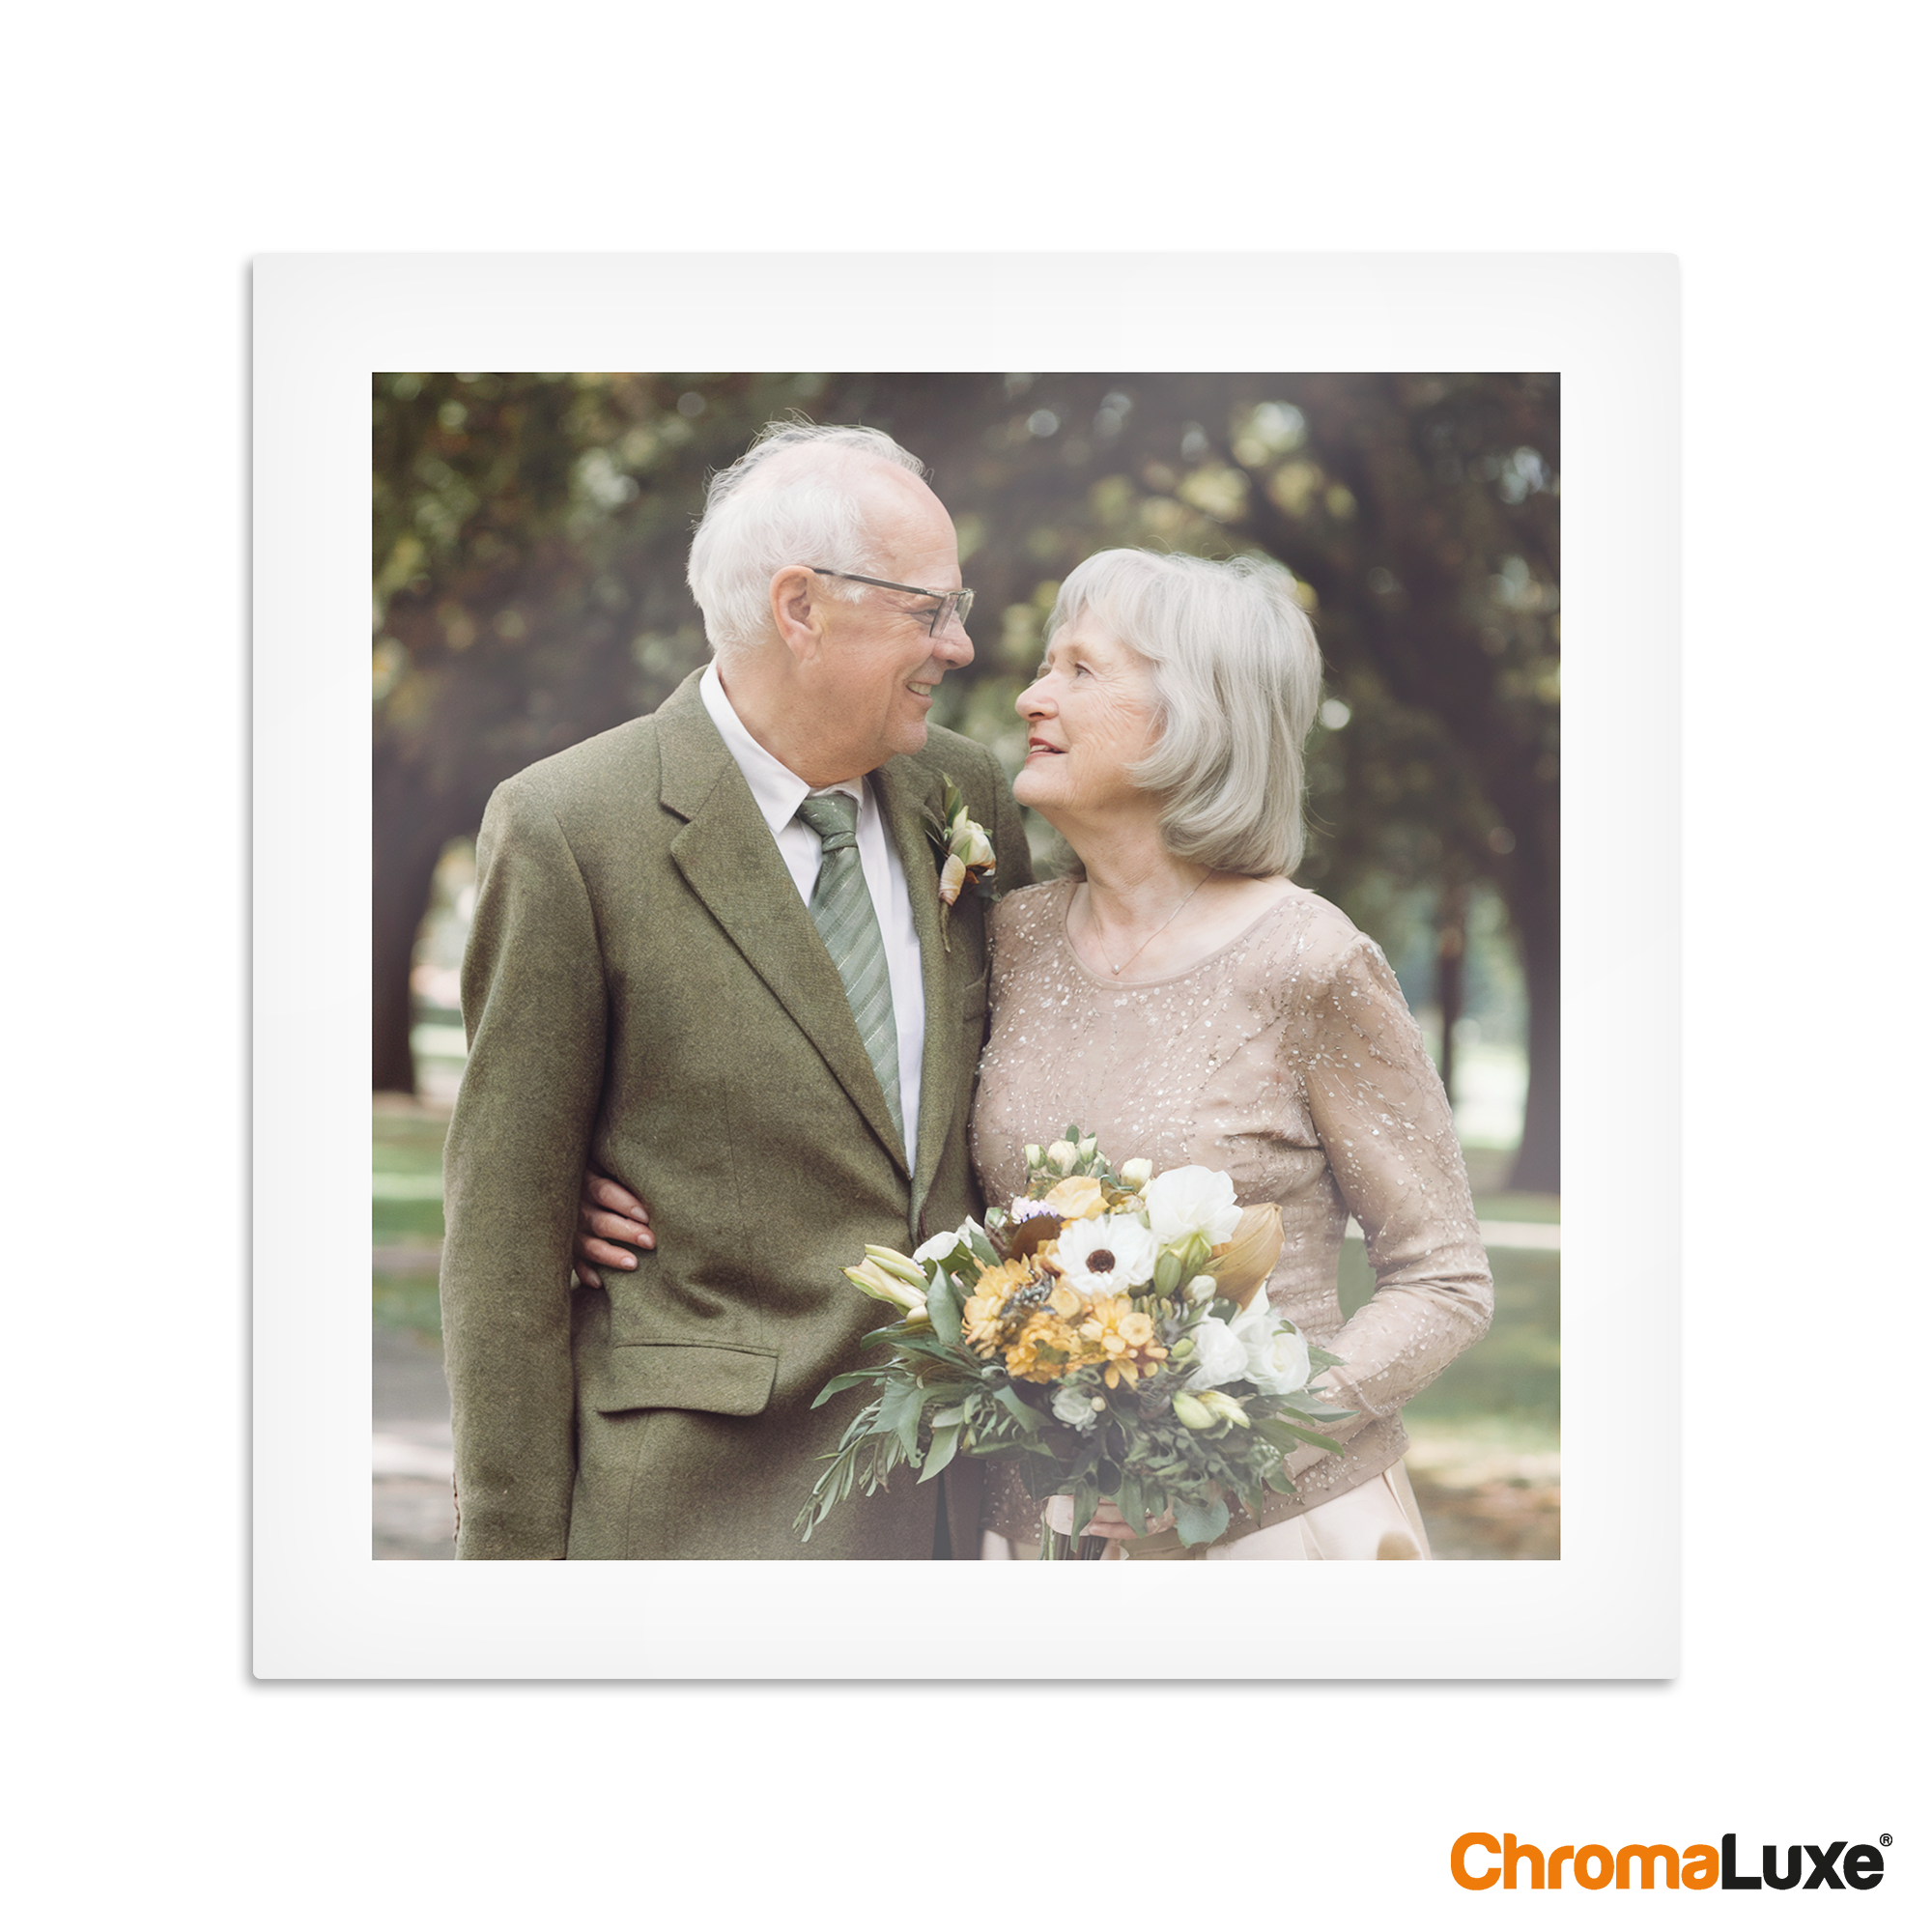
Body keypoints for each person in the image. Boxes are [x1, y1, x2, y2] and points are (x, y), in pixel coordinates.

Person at [577, 547, 1494, 1560]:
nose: (1026, 696)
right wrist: (614, 1172)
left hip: (1262, 1539)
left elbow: (1442, 1278)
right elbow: (847, 1103)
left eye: (1079, 670)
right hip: (1024, 1535)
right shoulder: (1002, 933)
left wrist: (1233, 1454)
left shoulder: (1310, 960)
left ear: (1196, 713)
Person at [440, 420, 1030, 1559]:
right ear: (799, 606)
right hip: (694, 1511)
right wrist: (506, 1586)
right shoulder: (570, 825)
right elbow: (502, 1238)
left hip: (951, 1506)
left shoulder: (963, 792)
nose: (958, 646)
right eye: (929, 609)